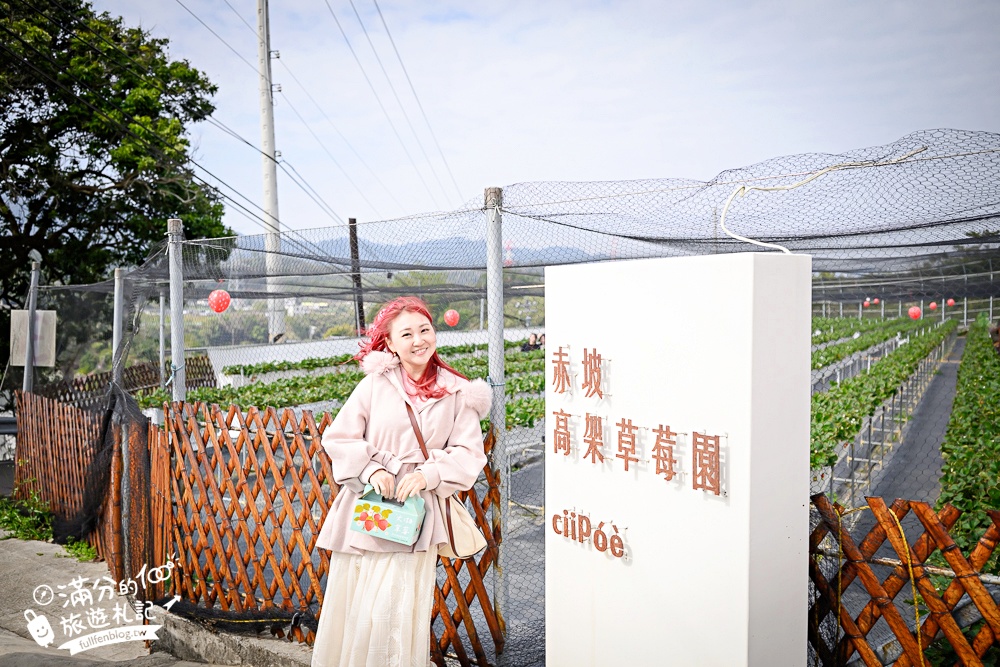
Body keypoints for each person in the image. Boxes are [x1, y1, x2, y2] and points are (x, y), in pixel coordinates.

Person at [312, 296, 490, 667]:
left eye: (424, 330)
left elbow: (470, 453)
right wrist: (371, 470)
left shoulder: (458, 391)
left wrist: (429, 474)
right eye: (406, 334)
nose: (418, 340)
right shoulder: (375, 385)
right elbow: (339, 437)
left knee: (397, 608)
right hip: (369, 508)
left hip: (415, 515)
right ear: (389, 343)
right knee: (357, 604)